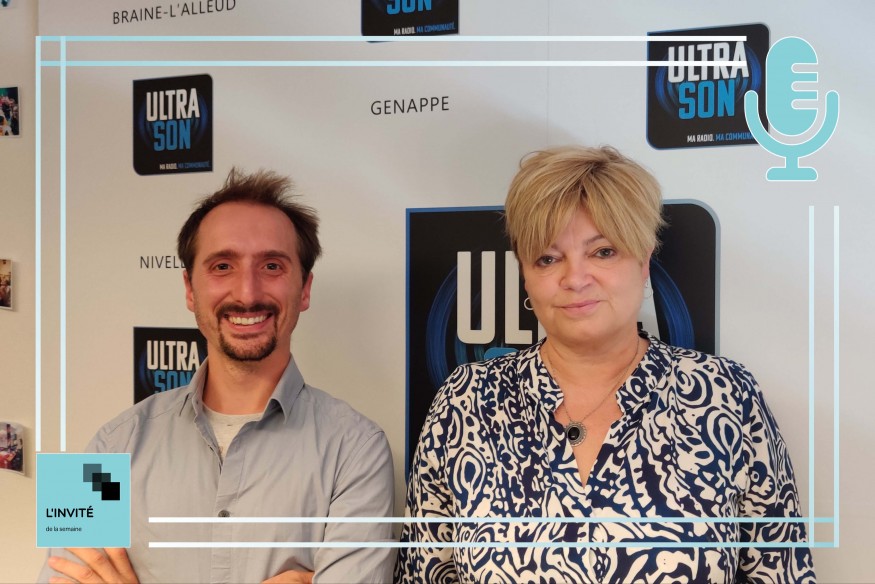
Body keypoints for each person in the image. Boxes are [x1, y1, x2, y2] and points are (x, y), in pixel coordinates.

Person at [395, 146, 815, 582]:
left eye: (603, 252)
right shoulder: (466, 401)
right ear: (525, 274)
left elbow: (782, 572)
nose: (575, 279)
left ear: (644, 259)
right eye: (548, 258)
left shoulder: (724, 395)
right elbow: (422, 573)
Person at [40, 169, 396, 583]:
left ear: (304, 289)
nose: (247, 293)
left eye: (272, 266)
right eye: (223, 266)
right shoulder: (106, 444)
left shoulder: (359, 451)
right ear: (189, 288)